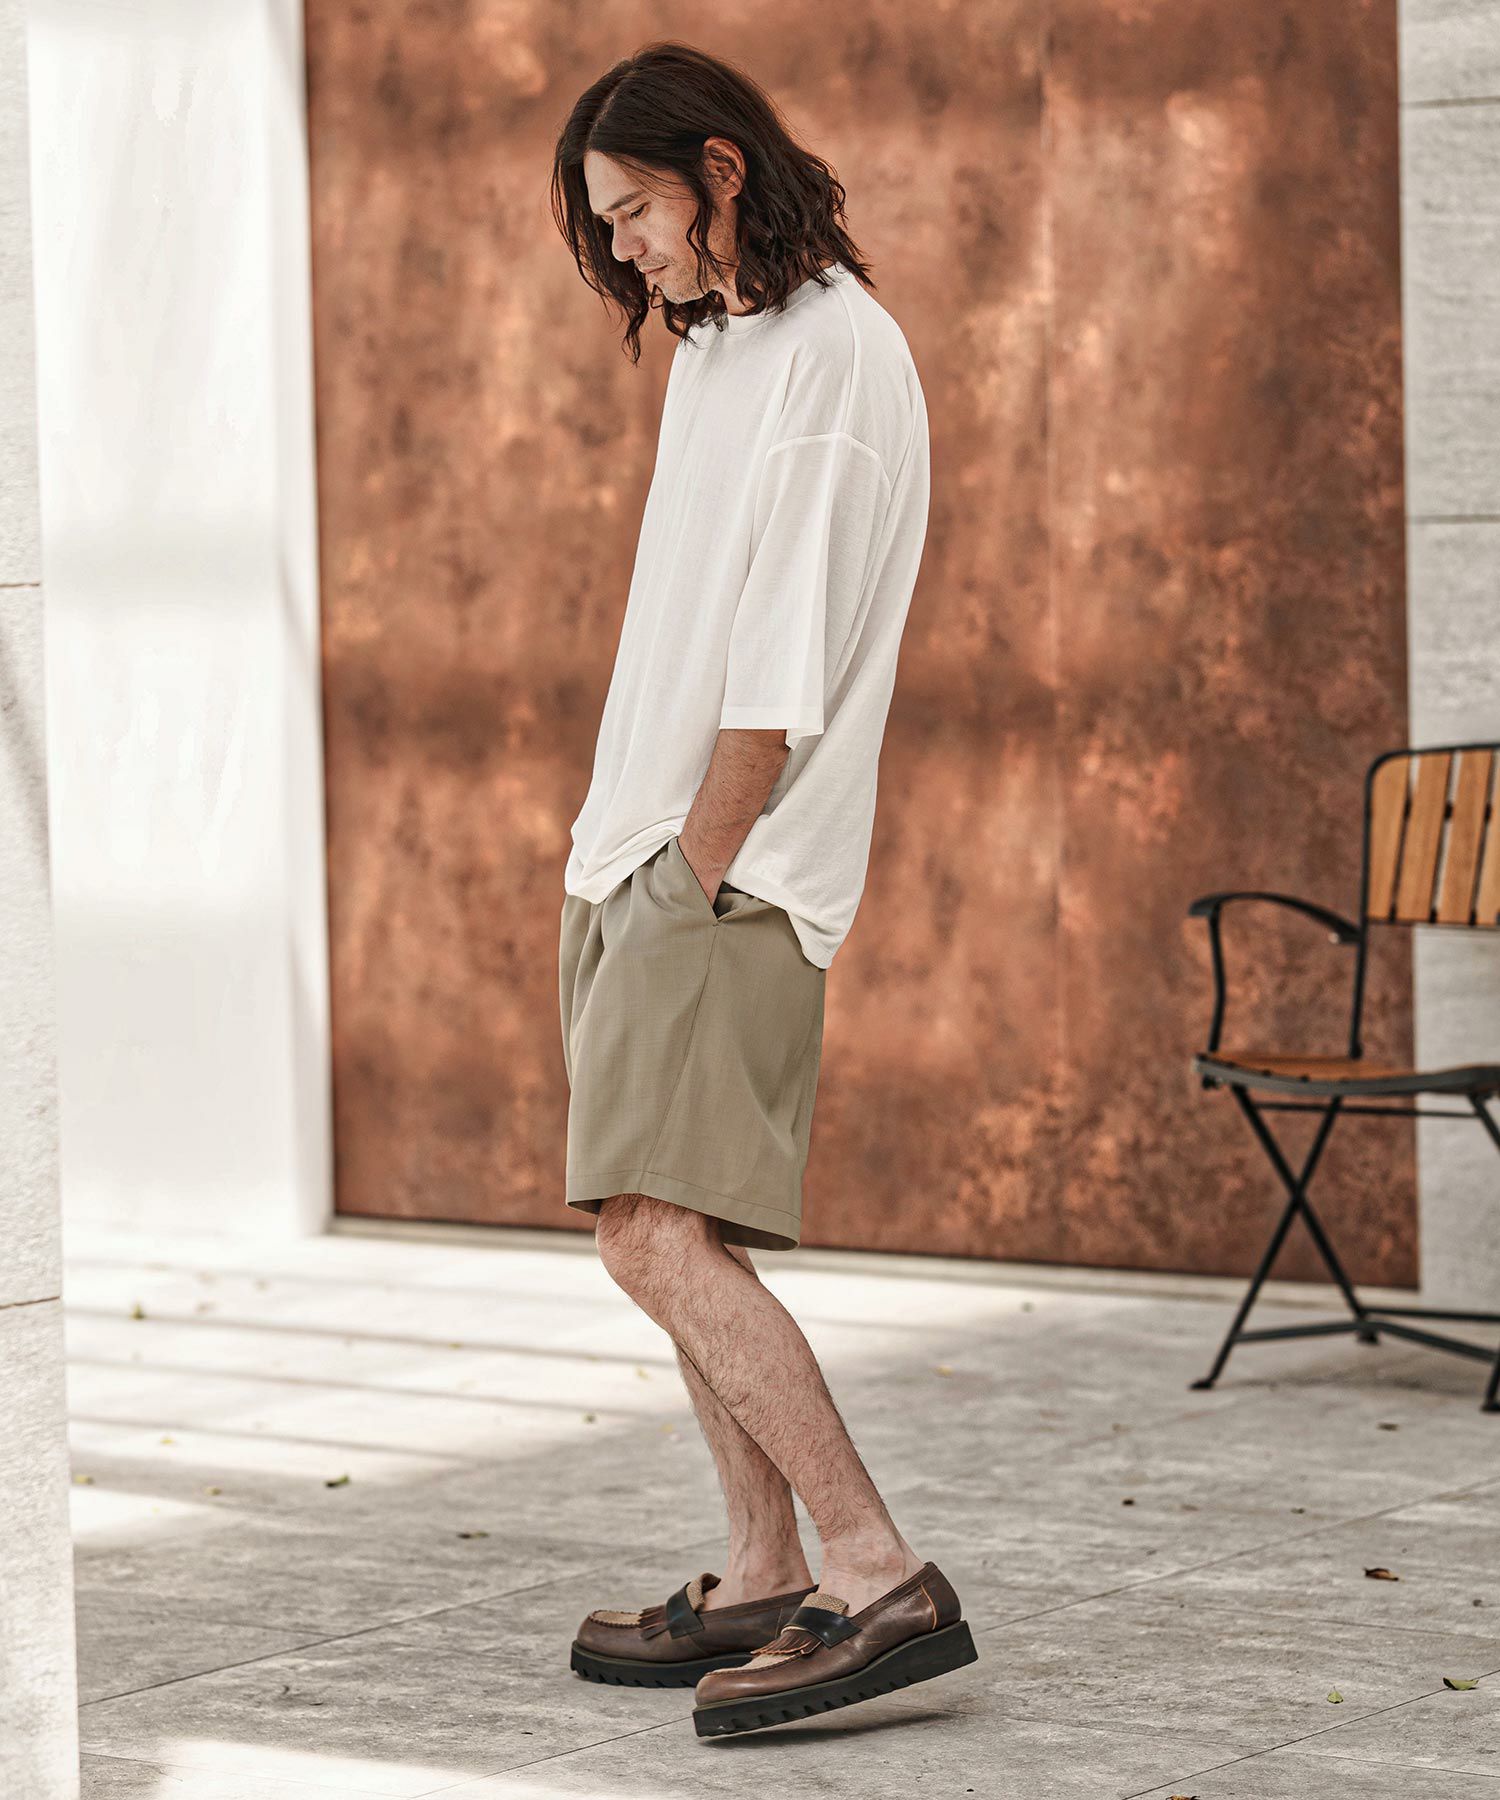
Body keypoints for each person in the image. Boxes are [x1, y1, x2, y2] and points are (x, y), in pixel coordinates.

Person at [549, 42, 976, 1737]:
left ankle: (877, 1570)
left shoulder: (836, 359)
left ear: (721, 171)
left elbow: (778, 680)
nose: (623, 246)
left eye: (634, 210)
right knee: (674, 1230)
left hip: (725, 869)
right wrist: (630, 858)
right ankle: (761, 1568)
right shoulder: (722, 348)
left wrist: (695, 868)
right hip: (640, 851)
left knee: (652, 1241)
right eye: (604, 222)